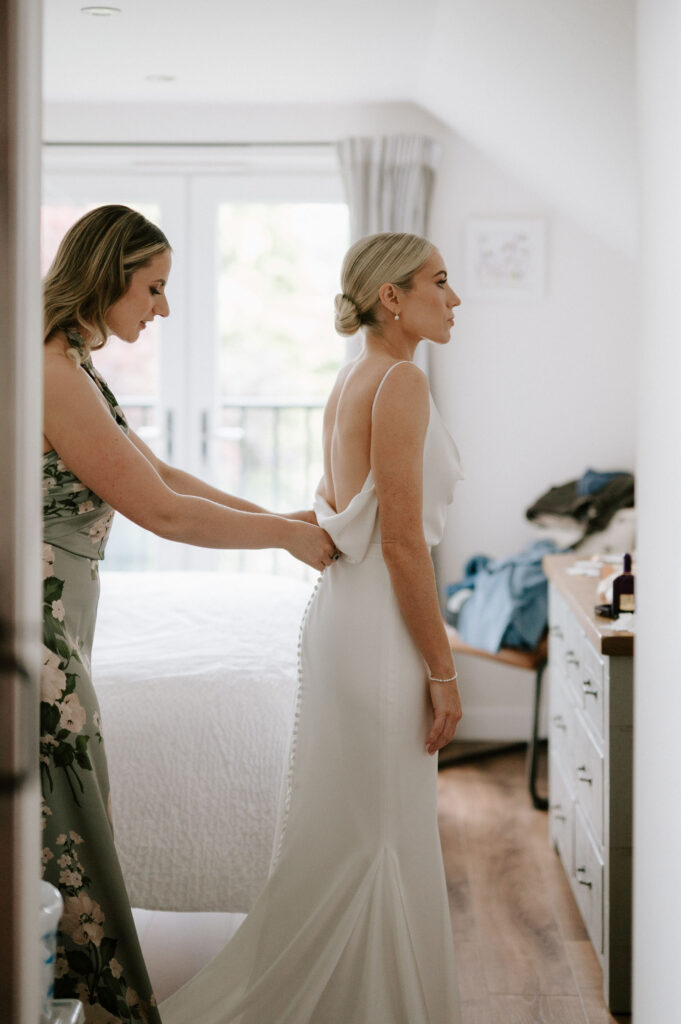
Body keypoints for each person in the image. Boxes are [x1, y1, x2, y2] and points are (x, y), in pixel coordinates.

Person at [40, 205, 337, 1024]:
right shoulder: (53, 372)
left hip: (62, 617)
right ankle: (85, 1004)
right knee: (66, 817)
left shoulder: (69, 361)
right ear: (108, 274)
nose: (161, 309)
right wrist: (282, 539)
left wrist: (281, 519)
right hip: (40, 630)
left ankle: (64, 995)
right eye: (154, 288)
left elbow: (159, 473)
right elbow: (161, 515)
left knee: (63, 814)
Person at [160, 231, 465, 1024]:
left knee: (365, 829)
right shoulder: (400, 382)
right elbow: (399, 540)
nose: (454, 297)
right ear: (390, 298)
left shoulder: (353, 375)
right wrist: (444, 670)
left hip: (347, 617)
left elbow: (341, 515)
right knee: (379, 833)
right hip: (379, 628)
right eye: (439, 281)